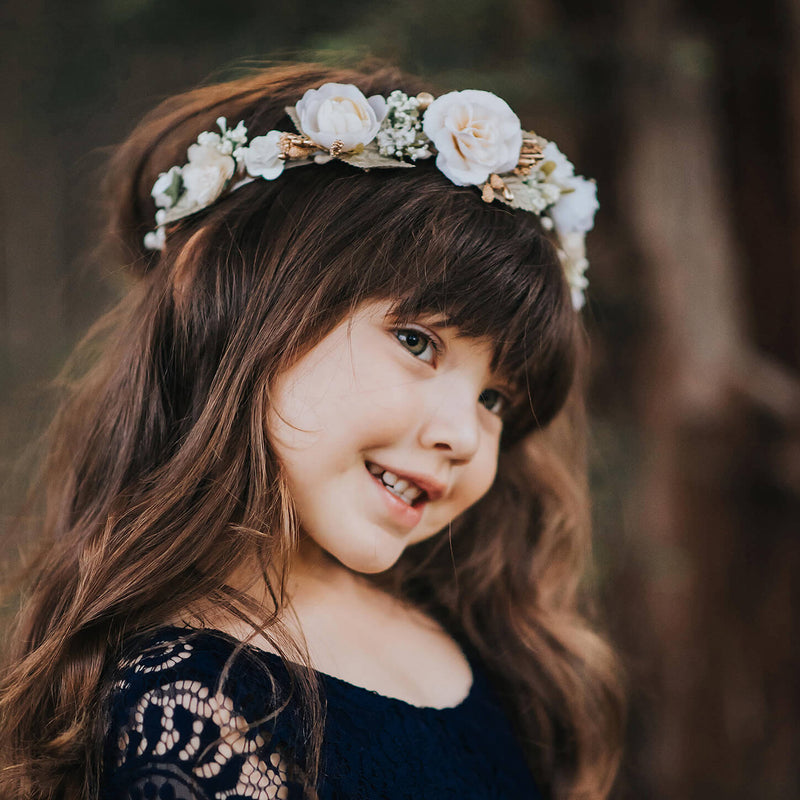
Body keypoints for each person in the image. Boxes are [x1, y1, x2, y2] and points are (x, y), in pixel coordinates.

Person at [0, 63, 624, 800]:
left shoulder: (496, 650)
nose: (464, 433)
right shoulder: (194, 708)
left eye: (495, 400)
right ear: (235, 299)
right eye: (419, 343)